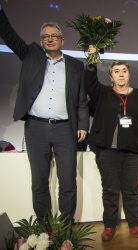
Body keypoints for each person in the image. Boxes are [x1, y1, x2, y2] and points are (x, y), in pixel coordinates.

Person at [0, 5, 89, 223]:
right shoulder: (31, 55)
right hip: (36, 128)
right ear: (41, 41)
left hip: (65, 129)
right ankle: (44, 227)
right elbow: (9, 34)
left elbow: (81, 99)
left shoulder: (76, 66)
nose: (50, 39)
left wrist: (83, 125)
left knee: (67, 181)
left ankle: (65, 229)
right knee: (39, 181)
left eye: (54, 36)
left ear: (62, 41)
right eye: (45, 36)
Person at [85, 46, 138, 240]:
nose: (121, 74)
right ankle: (109, 225)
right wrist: (92, 58)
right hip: (108, 151)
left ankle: (134, 225)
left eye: (124, 70)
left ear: (129, 74)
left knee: (131, 191)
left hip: (134, 152)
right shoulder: (103, 93)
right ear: (111, 77)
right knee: (109, 190)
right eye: (116, 71)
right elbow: (90, 83)